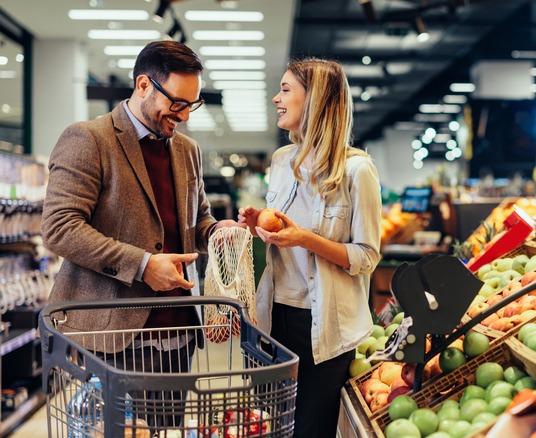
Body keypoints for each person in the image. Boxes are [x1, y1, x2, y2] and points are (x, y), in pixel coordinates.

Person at [41, 40, 241, 430]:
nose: (183, 115)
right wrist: (143, 265)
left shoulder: (188, 150)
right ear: (144, 84)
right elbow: (59, 226)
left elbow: (195, 222)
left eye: (191, 104)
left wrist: (218, 231)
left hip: (178, 335)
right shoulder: (89, 139)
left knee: (165, 431)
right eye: (178, 103)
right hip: (113, 337)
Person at [238, 58, 382, 438]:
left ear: (315, 99)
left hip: (326, 323)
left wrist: (306, 239)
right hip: (276, 314)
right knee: (277, 427)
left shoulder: (356, 170)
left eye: (286, 90)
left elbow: (366, 257)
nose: (276, 98)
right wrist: (258, 225)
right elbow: (282, 235)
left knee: (312, 431)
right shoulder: (281, 161)